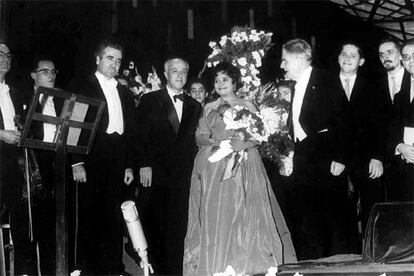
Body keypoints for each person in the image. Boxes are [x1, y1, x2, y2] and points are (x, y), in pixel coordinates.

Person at [183, 62, 296, 275]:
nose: (220, 84)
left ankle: (245, 264)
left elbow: (259, 136)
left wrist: (244, 143)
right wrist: (213, 139)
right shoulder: (209, 107)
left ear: (234, 82)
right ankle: (218, 262)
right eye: (217, 80)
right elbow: (199, 136)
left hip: (244, 164)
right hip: (215, 167)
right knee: (218, 213)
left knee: (244, 212)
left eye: (225, 79)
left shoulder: (248, 105)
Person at [70, 38, 136, 275]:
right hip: (91, 156)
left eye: (118, 60)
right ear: (97, 59)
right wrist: (76, 161)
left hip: (117, 156)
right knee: (90, 215)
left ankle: (112, 267)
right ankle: (88, 269)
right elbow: (74, 126)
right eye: (110, 58)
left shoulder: (125, 93)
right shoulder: (83, 86)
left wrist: (128, 166)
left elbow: (129, 132)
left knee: (113, 216)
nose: (115, 64)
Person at [281, 39, 349, 260]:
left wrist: (340, 157)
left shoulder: (326, 78)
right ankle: (311, 265)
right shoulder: (295, 85)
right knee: (307, 219)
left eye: (285, 60)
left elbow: (343, 120)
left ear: (299, 59)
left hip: (326, 159)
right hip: (303, 159)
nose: (282, 66)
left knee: (330, 218)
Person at [135, 57, 202, 275]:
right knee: (153, 223)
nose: (180, 75)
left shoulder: (194, 105)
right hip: (154, 173)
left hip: (182, 175)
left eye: (184, 71)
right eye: (175, 71)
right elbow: (141, 135)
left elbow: (194, 142)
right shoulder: (150, 100)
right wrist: (144, 164)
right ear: (166, 73)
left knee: (178, 225)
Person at [332, 42, 388, 246]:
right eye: (343, 54)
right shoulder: (325, 85)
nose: (347, 58)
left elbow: (382, 125)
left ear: (361, 61)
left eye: (352, 55)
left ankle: (371, 252)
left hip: (366, 159)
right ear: (338, 58)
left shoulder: (374, 87)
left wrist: (378, 157)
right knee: (339, 211)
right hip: (335, 159)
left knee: (371, 209)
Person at [0, 42, 37, 275]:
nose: (5, 58)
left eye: (8, 55)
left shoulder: (14, 92)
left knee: (22, 220)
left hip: (14, 164)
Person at [28, 55, 63, 275]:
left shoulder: (61, 99)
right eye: (45, 71)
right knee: (38, 222)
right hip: (35, 163)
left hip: (57, 161)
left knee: (57, 221)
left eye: (53, 72)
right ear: (34, 75)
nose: (50, 75)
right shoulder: (25, 98)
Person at [387, 39, 414, 202]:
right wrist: (399, 146)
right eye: (406, 56)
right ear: (402, 61)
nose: (411, 60)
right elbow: (391, 128)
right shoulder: (399, 95)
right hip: (404, 166)